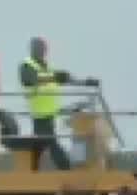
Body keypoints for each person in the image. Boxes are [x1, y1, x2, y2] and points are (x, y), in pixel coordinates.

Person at [18, 37, 98, 171]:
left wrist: (85, 82)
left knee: (43, 142)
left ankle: (32, 172)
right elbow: (30, 80)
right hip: (39, 113)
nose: (42, 51)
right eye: (39, 48)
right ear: (32, 49)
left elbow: (63, 78)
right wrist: (53, 77)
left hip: (49, 113)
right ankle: (65, 169)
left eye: (44, 48)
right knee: (49, 141)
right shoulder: (27, 65)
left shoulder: (46, 68)